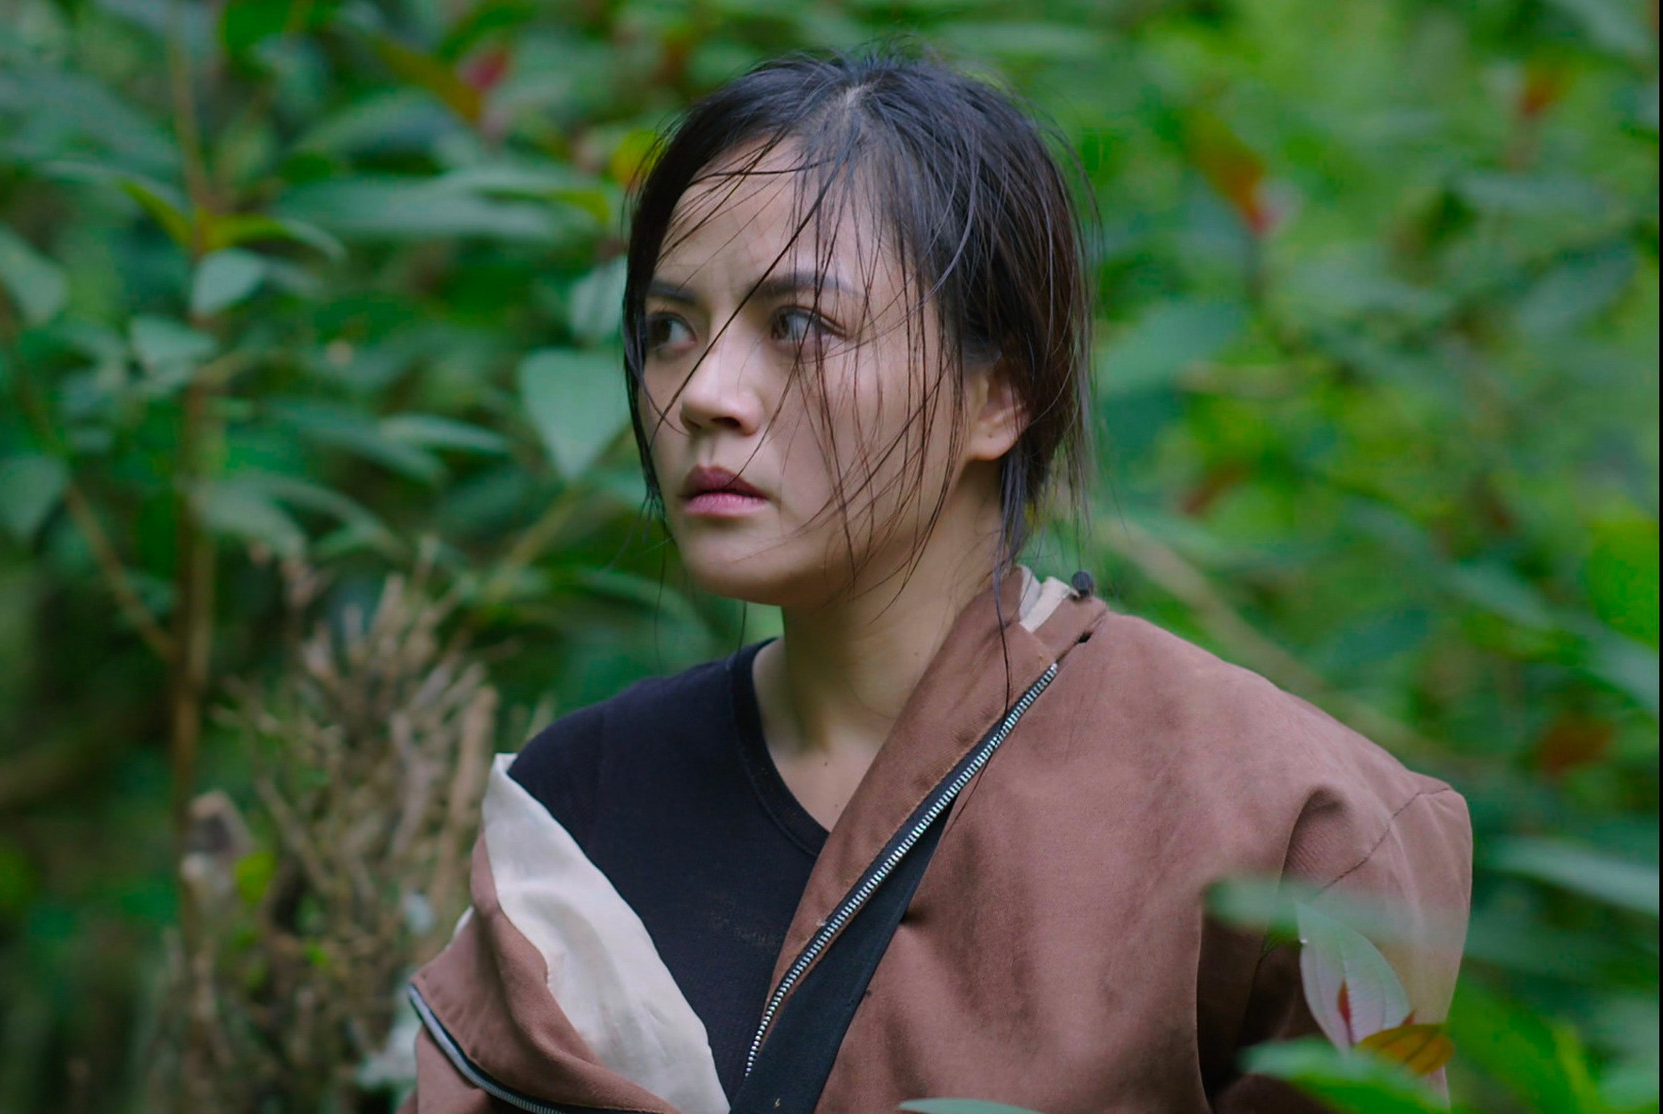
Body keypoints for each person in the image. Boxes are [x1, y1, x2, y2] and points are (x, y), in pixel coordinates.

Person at [401, 43, 1472, 1114]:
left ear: (998, 395)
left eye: (798, 326)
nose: (702, 393)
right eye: (669, 330)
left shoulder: (1283, 823)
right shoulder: (586, 796)